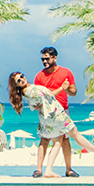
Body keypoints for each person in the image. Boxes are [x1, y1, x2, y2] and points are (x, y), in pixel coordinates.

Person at [8, 72, 94, 178]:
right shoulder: (31, 90)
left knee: (58, 142)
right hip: (56, 115)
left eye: (21, 76)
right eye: (18, 81)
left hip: (47, 118)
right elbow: (50, 95)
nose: (22, 79)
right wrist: (62, 87)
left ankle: (48, 170)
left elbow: (37, 105)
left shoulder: (26, 92)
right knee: (75, 133)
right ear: (17, 85)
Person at [34, 46, 80, 177]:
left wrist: (65, 89)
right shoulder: (39, 76)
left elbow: (74, 92)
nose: (44, 62)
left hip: (62, 111)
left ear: (55, 58)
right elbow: (37, 96)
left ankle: (69, 169)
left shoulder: (66, 72)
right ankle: (38, 170)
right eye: (42, 59)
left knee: (65, 140)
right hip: (46, 113)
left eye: (47, 59)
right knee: (44, 139)